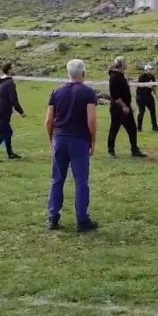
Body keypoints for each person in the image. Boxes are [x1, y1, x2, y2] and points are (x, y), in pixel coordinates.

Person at [45, 59, 100, 232]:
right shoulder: (88, 92)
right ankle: (82, 220)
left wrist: (51, 139)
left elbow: (48, 120)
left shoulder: (56, 92)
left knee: (57, 179)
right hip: (79, 140)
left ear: (68, 73)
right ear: (83, 73)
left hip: (60, 138)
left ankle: (53, 217)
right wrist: (93, 140)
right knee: (81, 181)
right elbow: (91, 120)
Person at [107, 56, 146, 158]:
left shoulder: (121, 76)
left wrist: (129, 106)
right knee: (114, 128)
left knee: (132, 128)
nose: (127, 64)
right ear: (121, 64)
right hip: (118, 108)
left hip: (126, 107)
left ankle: (134, 150)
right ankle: (111, 150)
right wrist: (124, 106)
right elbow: (115, 95)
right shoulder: (114, 77)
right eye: (125, 62)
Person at [0, 63, 26, 162]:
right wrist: (21, 112)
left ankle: (10, 153)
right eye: (14, 68)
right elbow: (13, 100)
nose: (16, 69)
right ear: (9, 70)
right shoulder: (10, 83)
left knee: (6, 132)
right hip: (3, 112)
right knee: (4, 133)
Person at [136, 65, 158, 133]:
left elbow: (153, 86)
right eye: (150, 69)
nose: (151, 70)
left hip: (148, 95)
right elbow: (139, 85)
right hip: (141, 96)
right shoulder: (142, 76)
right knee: (142, 111)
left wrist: (155, 94)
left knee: (153, 110)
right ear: (146, 70)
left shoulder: (152, 77)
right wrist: (147, 85)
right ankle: (139, 127)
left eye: (151, 69)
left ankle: (154, 126)